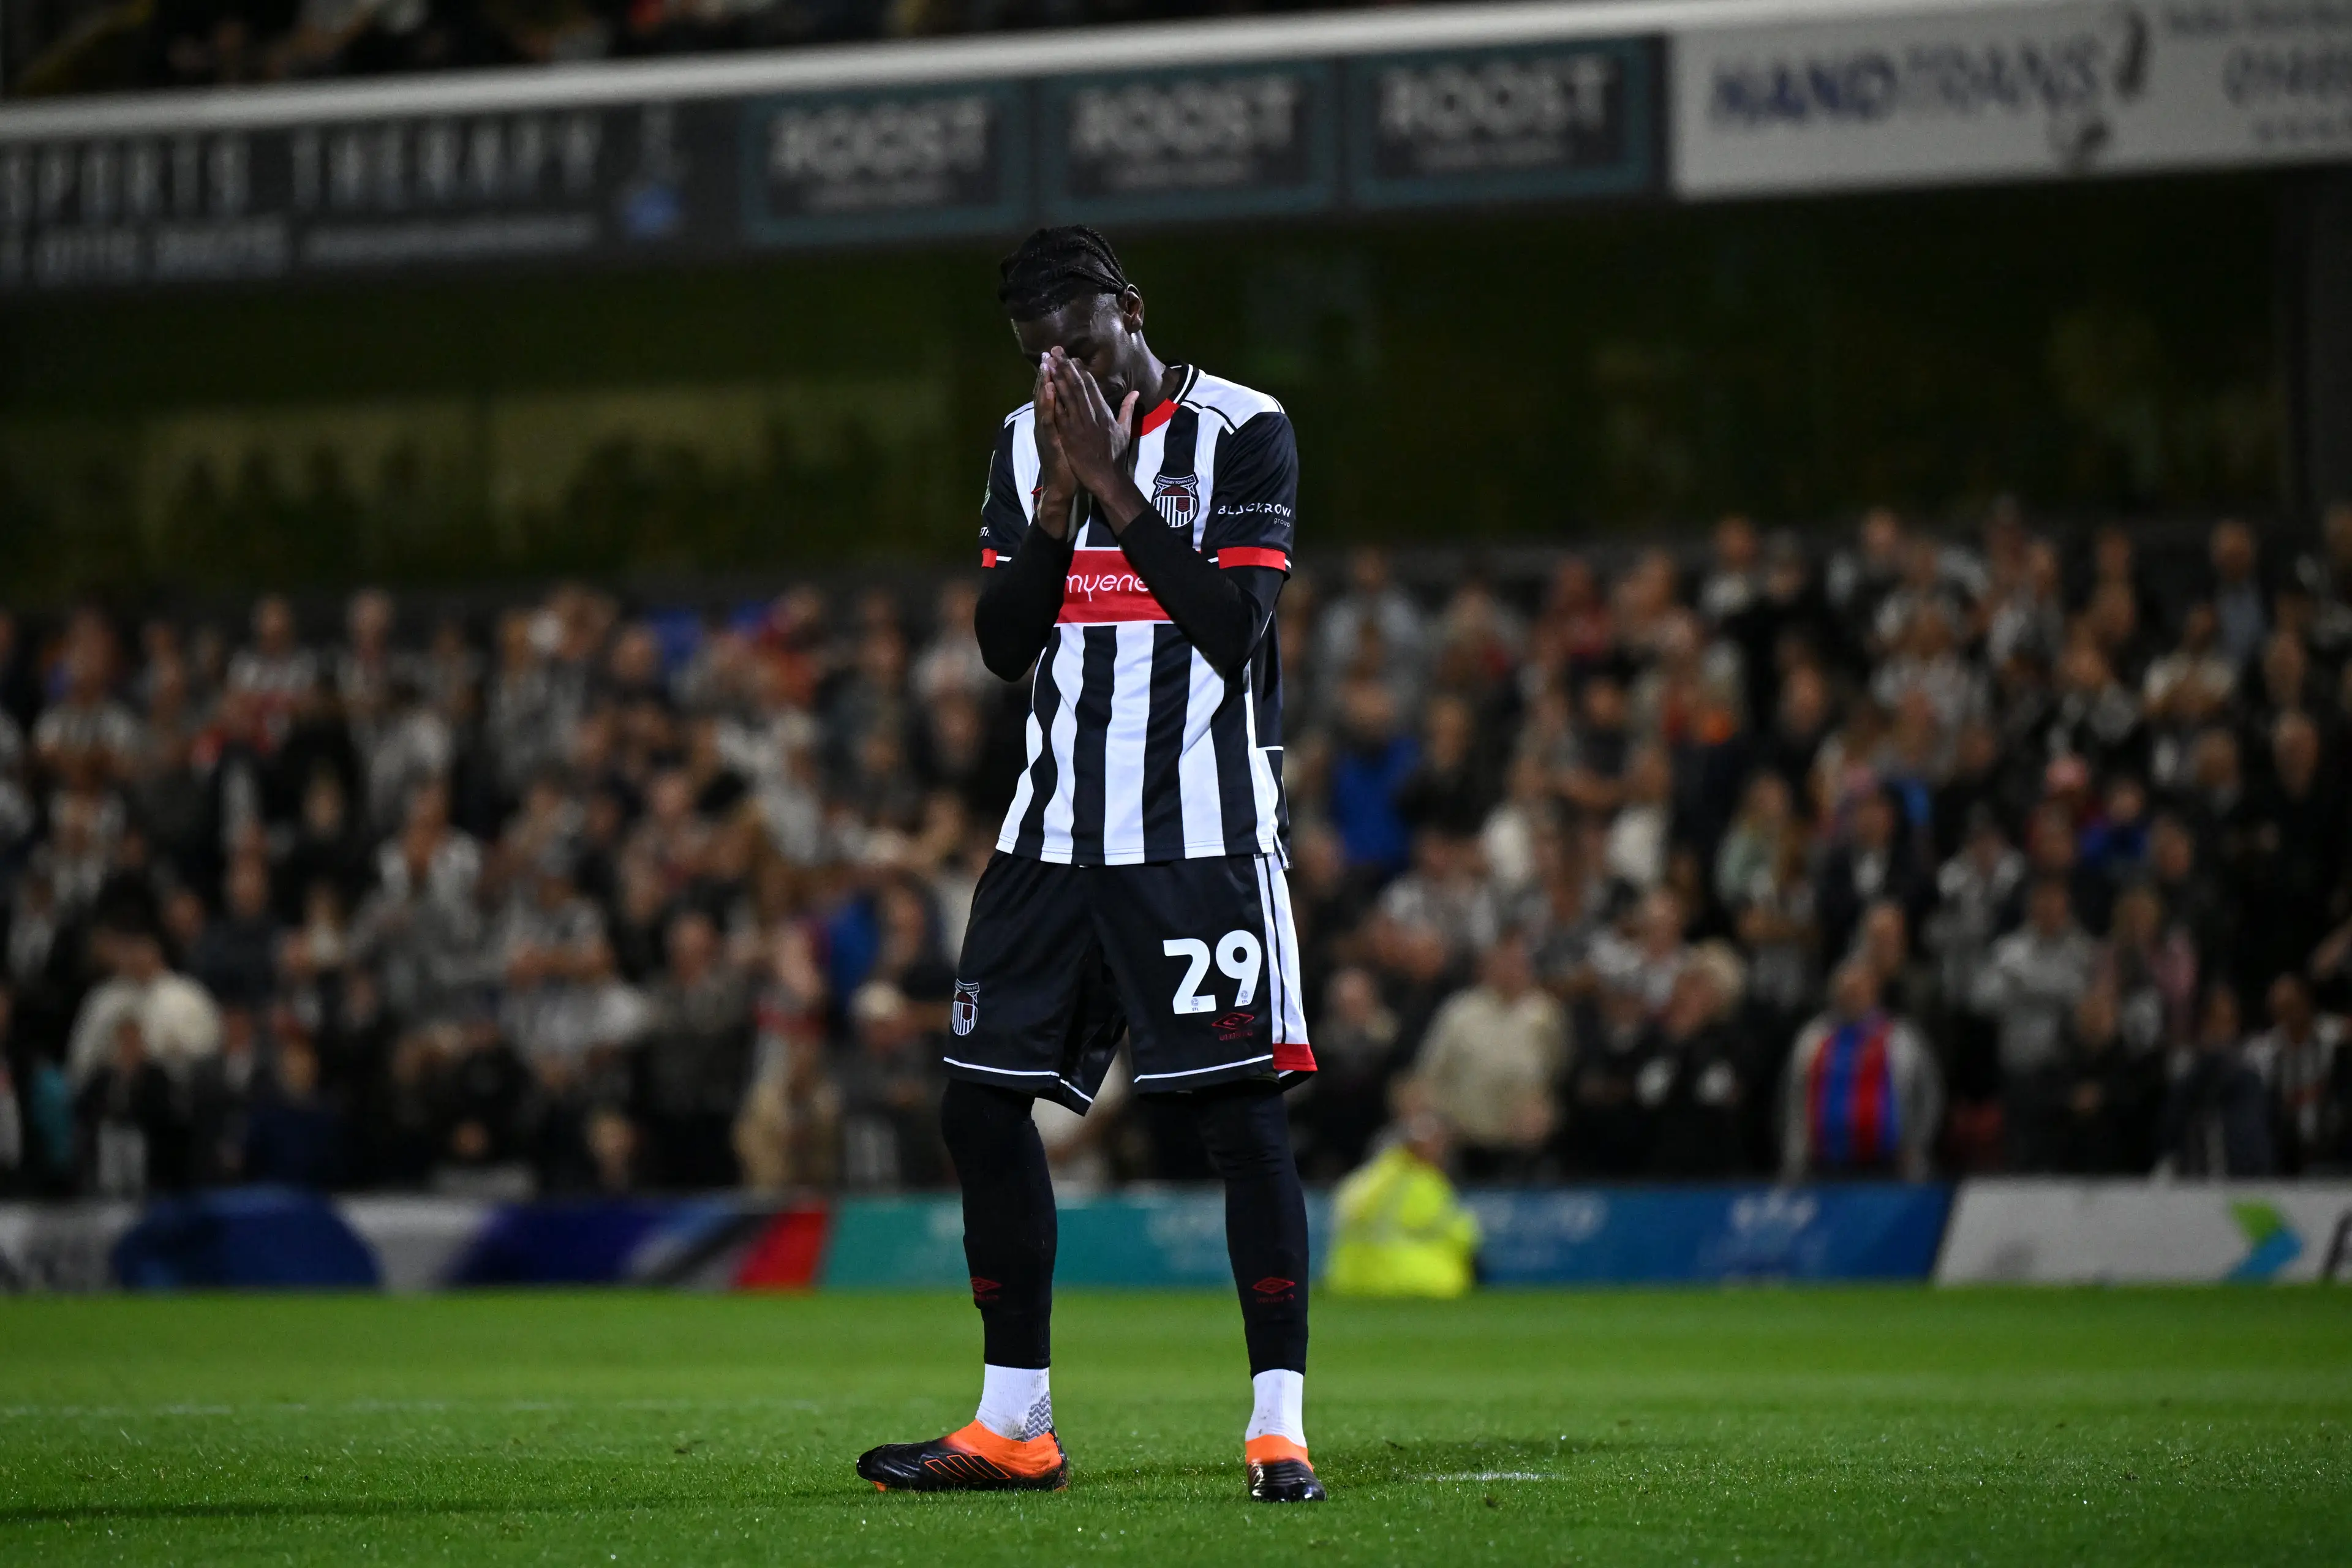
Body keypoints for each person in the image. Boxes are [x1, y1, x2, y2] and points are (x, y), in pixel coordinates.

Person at [858, 228, 1324, 1504]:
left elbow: (1235, 630)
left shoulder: (1245, 431)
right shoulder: (1023, 446)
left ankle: (1277, 1426)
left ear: (1134, 309)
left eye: (1081, 342)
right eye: (1036, 355)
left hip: (1198, 831)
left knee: (1238, 1116)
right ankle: (1016, 1422)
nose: (1060, 373)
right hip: (1055, 827)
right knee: (974, 1102)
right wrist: (1060, 506)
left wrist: (1115, 486)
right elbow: (1008, 646)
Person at [1780, 960, 1943, 1181]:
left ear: (1873, 993)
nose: (1851, 998)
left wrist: (1917, 1145)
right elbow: (1794, 1096)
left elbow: (1927, 1095)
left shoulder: (1900, 1037)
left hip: (1888, 1164)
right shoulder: (1813, 1038)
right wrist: (1796, 1152)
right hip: (1824, 1165)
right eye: (1846, 992)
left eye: (1858, 991)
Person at [1324, 1114, 1480, 1299]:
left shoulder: (1371, 1178)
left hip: (1352, 1279)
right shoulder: (1424, 1183)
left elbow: (1342, 1212)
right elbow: (1464, 1235)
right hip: (1410, 1278)